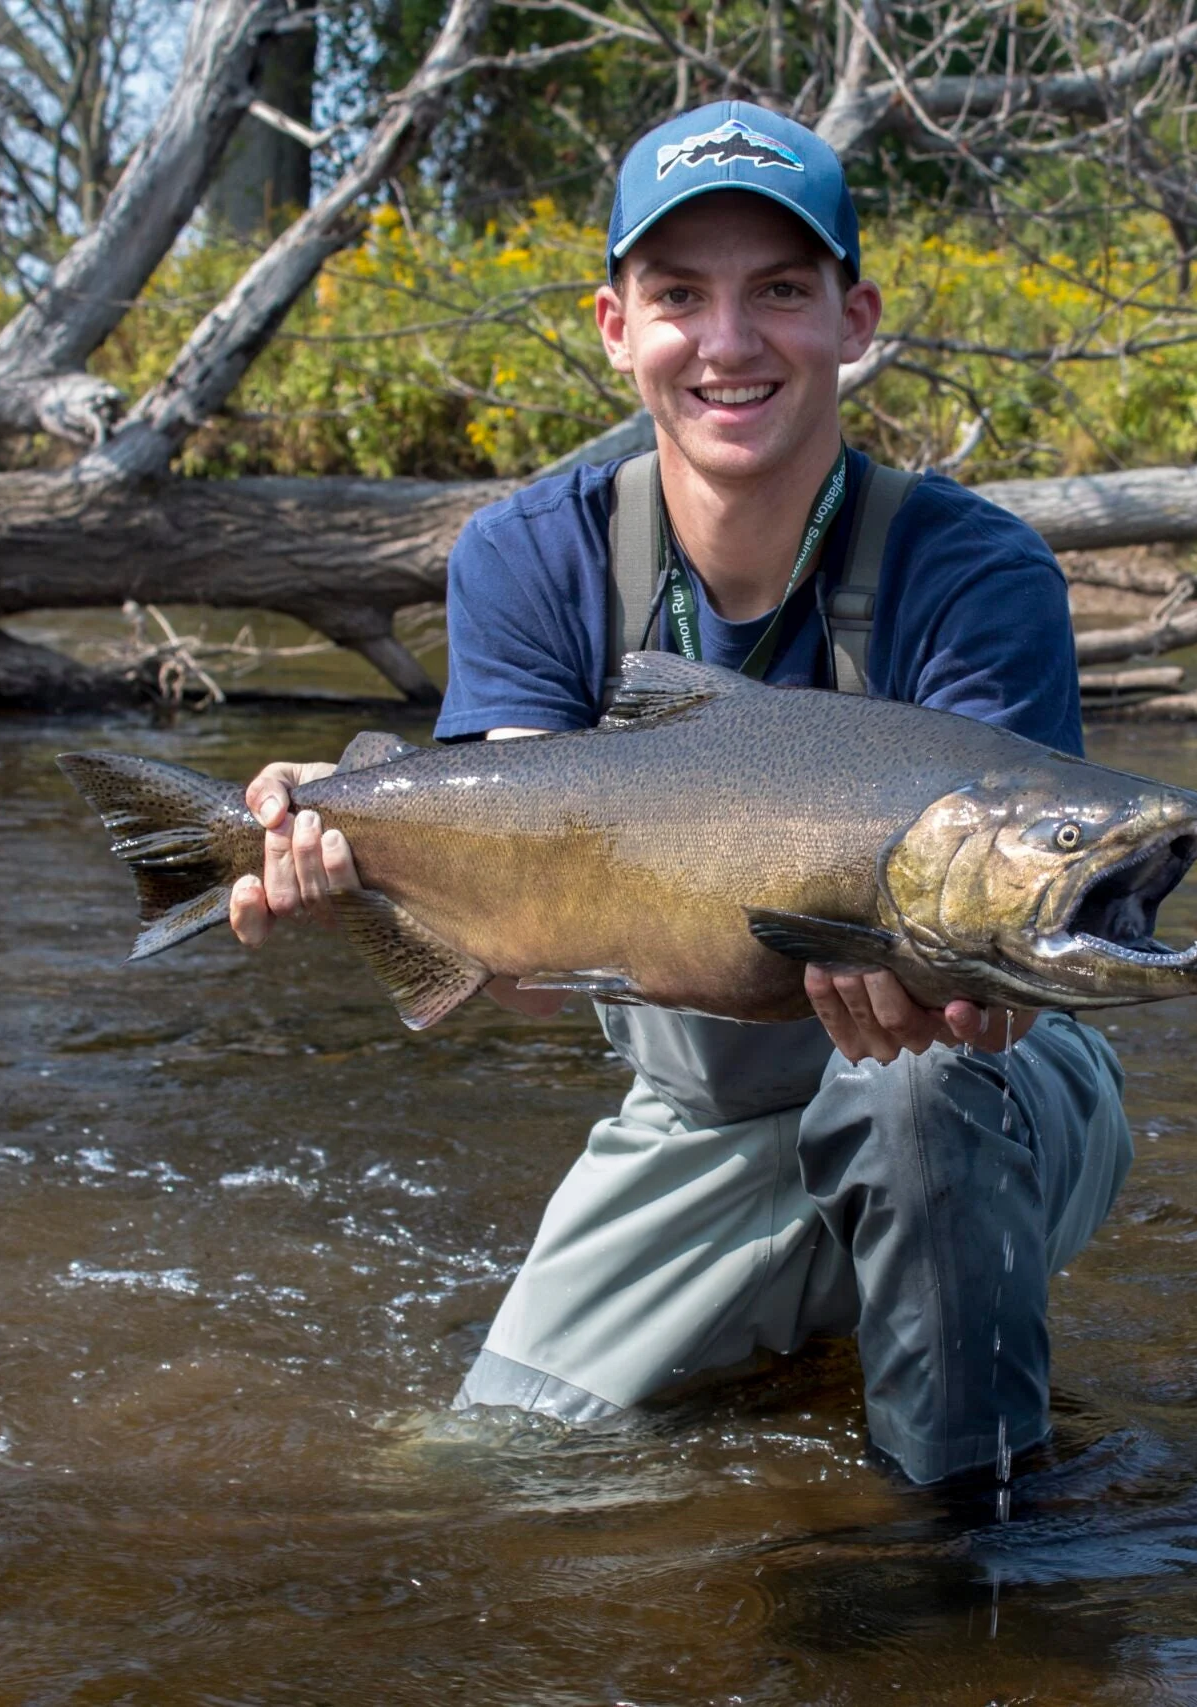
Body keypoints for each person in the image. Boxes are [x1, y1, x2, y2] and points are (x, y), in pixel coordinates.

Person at [228, 102, 1131, 1488]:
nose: (727, 342)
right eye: (679, 296)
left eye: (778, 290)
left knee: (917, 1100)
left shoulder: (978, 571)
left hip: (982, 1073)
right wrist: (343, 841)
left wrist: (968, 993)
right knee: (478, 1471)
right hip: (697, 1112)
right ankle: (832, 1309)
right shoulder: (530, 558)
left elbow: (1006, 978)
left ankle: (966, 1558)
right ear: (613, 324)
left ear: (855, 317)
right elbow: (533, 979)